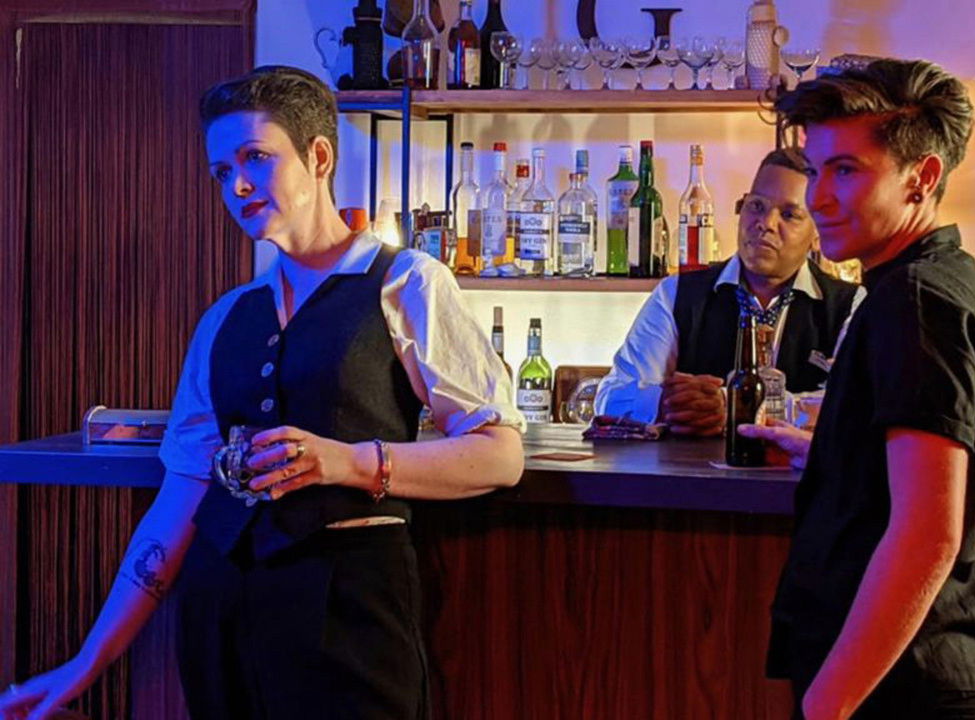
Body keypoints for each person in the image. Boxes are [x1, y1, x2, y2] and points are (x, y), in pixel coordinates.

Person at [0, 66, 524, 720]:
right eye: (222, 171)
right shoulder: (226, 317)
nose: (237, 185)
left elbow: (500, 454)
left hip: (349, 611)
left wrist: (348, 461)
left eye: (256, 158)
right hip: (220, 613)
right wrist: (88, 662)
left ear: (319, 157)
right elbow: (179, 501)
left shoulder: (407, 282)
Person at [754, 59, 975, 719]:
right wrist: (838, 456)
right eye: (816, 170)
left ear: (922, 177)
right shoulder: (944, 280)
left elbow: (927, 534)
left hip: (911, 688)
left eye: (846, 171)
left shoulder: (916, 299)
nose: (819, 199)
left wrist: (829, 704)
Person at [593, 148, 861, 436]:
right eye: (756, 206)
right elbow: (610, 397)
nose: (766, 223)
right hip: (691, 466)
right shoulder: (678, 294)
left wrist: (738, 404)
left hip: (798, 467)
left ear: (817, 231)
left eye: (789, 214)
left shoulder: (849, 305)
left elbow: (856, 405)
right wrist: (665, 403)